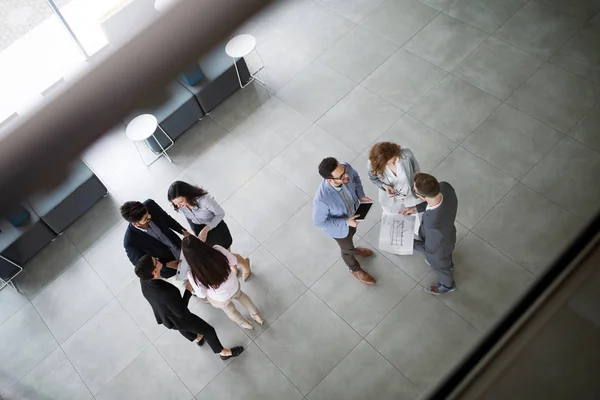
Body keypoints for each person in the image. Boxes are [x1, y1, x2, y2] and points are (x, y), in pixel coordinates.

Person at [136, 255, 244, 360]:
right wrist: (188, 290)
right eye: (156, 261)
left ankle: (198, 338)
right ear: (154, 272)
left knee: (182, 328)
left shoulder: (144, 279)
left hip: (165, 315)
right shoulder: (166, 293)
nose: (158, 259)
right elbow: (181, 312)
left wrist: (167, 264)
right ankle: (223, 352)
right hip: (179, 317)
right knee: (208, 330)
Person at [167, 181, 251, 281]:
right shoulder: (181, 206)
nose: (179, 206)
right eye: (176, 204)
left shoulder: (205, 200)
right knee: (217, 255)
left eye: (180, 202)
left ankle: (245, 264)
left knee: (227, 255)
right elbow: (189, 218)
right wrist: (195, 232)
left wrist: (206, 229)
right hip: (199, 229)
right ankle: (234, 267)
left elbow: (220, 214)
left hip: (215, 227)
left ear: (187, 195)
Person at [313, 157, 376, 285]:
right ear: (330, 180)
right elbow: (319, 222)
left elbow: (356, 178)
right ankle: (355, 269)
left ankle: (354, 249)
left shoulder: (345, 168)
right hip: (339, 228)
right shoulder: (322, 199)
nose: (346, 175)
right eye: (341, 176)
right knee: (346, 249)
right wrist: (346, 222)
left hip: (353, 216)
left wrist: (361, 196)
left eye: (344, 171)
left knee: (352, 234)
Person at [182, 235, 264, 330]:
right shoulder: (218, 249)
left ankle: (245, 323)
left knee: (231, 311)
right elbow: (233, 261)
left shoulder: (193, 275)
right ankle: (257, 316)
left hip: (219, 298)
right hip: (233, 285)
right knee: (242, 296)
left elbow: (202, 294)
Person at [402, 173, 458, 295]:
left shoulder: (433, 224)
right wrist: (415, 209)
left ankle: (447, 286)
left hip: (438, 250)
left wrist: (407, 242)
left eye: (414, 190)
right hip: (449, 235)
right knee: (446, 259)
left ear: (422, 197)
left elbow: (429, 249)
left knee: (441, 268)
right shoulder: (445, 187)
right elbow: (432, 200)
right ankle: (449, 265)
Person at [121, 199, 190, 279]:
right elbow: (143, 267)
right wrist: (166, 265)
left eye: (148, 213)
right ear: (135, 224)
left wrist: (184, 232)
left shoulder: (150, 205)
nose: (150, 216)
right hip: (172, 270)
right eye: (146, 218)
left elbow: (167, 219)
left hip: (182, 250)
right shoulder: (130, 242)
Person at [367, 142, 421, 214]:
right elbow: (373, 178)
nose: (392, 164)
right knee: (392, 217)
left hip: (410, 193)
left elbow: (416, 169)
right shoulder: (372, 163)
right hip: (390, 199)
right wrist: (385, 186)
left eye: (394, 160)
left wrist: (416, 184)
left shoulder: (406, 153)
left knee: (414, 215)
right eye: (388, 164)